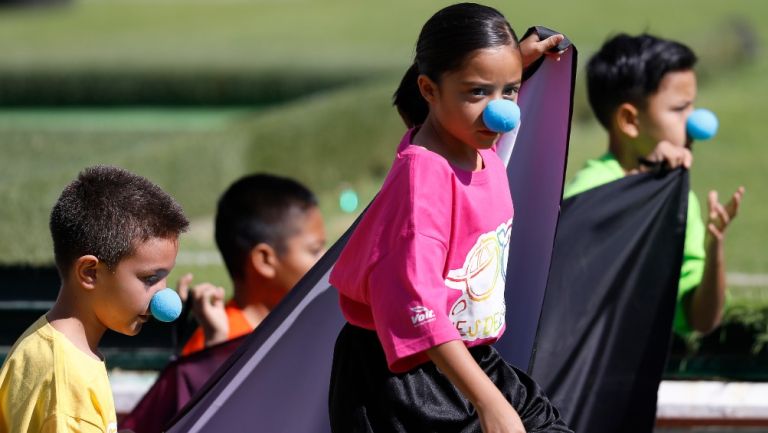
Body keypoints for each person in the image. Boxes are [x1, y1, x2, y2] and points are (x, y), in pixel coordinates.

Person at [328, 3, 572, 433]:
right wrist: (488, 403)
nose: (500, 112)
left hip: (467, 356)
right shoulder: (422, 182)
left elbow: (472, 96)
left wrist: (507, 67)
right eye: (478, 92)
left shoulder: (474, 143)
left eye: (510, 91)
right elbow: (417, 306)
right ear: (429, 89)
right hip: (405, 381)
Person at [564, 33, 745, 336]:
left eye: (693, 106)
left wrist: (716, 248)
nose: (696, 121)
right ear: (630, 121)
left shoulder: (679, 196)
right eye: (679, 109)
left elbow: (703, 320)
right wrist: (643, 185)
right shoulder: (589, 190)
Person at [0, 166, 189, 433]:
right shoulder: (68, 387)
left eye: (165, 277)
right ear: (90, 273)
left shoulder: (42, 344)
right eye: (149, 278)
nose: (164, 296)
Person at [178, 173, 326, 356]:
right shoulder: (214, 348)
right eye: (315, 250)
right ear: (264, 260)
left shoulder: (315, 326)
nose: (327, 260)